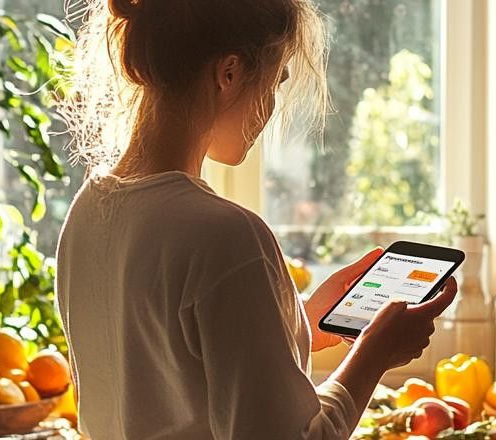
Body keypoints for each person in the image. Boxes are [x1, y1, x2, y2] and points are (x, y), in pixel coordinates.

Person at [55, 0, 458, 438]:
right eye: (275, 82)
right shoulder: (225, 236)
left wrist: (299, 323)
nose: (269, 108)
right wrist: (374, 355)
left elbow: (170, 372)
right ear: (229, 74)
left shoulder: (89, 208)